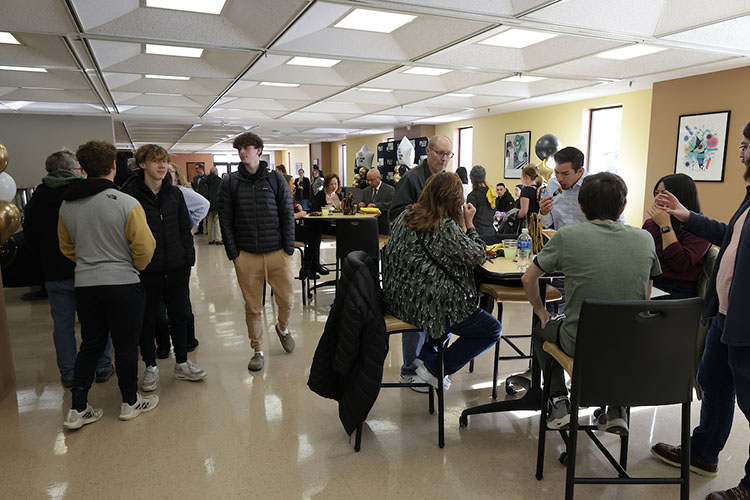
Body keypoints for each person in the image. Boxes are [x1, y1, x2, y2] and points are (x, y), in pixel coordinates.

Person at [650, 121, 750, 500]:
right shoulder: (749, 197)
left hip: (745, 322)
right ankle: (704, 453)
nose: (740, 152)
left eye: (744, 146)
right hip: (724, 315)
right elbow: (728, 236)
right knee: (713, 385)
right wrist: (684, 214)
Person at [522, 172, 661, 433]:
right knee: (614, 335)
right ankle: (617, 406)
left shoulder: (568, 237)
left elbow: (529, 279)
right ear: (623, 207)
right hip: (629, 342)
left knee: (541, 329)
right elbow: (645, 295)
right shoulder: (645, 239)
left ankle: (558, 400)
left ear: (581, 207)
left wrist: (541, 311)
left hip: (580, 341)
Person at [58, 140, 157, 429]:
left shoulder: (67, 205)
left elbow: (66, 246)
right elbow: (145, 247)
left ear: (84, 168)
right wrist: (131, 266)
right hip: (123, 282)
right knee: (126, 346)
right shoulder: (127, 203)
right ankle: (129, 401)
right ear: (114, 166)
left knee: (90, 344)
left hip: (86, 284)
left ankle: (78, 408)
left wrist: (90, 261)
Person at [384, 172, 501, 388]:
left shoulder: (405, 216)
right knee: (491, 329)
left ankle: (424, 359)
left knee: (445, 303)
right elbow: (476, 254)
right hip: (425, 305)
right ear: (454, 200)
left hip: (397, 298)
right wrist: (470, 224)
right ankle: (434, 370)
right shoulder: (442, 225)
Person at [24, 150, 114, 388]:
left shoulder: (37, 198)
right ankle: (103, 366)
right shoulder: (82, 194)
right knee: (95, 321)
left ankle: (69, 373)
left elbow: (29, 238)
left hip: (54, 272)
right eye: (78, 169)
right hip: (86, 267)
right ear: (72, 170)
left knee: (62, 325)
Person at [122, 144, 206, 391]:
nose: (162, 166)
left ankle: (182, 362)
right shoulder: (129, 195)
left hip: (177, 267)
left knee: (180, 316)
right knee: (147, 320)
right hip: (146, 270)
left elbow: (184, 229)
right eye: (156, 161)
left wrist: (188, 260)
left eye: (165, 161)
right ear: (142, 164)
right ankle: (150, 366)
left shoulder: (175, 194)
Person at [219, 132, 295, 372]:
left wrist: (288, 249)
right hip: (247, 255)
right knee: (253, 307)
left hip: (277, 253)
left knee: (287, 300)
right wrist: (234, 254)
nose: (243, 152)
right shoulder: (230, 182)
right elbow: (226, 220)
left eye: (247, 147)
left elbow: (287, 213)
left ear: (259, 150)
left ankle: (282, 328)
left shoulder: (275, 179)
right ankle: (258, 349)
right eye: (239, 148)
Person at [389, 135, 453, 388]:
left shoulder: (446, 181)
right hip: (414, 265)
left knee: (448, 307)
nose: (444, 159)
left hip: (438, 262)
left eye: (449, 154)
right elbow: (396, 217)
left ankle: (429, 365)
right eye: (440, 153)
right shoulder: (412, 179)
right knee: (417, 313)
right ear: (428, 152)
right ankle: (409, 369)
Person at [643, 173, 711, 298]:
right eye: (656, 193)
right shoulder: (651, 224)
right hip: (650, 283)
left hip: (679, 291)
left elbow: (680, 264)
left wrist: (665, 226)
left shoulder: (699, 229)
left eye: (663, 193)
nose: (657, 198)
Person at [285, 176, 325, 280]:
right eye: (292, 184)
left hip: (293, 228)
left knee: (316, 231)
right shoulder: (282, 198)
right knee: (314, 237)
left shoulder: (287, 197)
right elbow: (283, 215)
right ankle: (307, 268)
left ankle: (311, 266)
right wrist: (297, 215)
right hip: (288, 231)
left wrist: (296, 208)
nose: (294, 186)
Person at [539, 147, 587, 229]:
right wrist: (544, 213)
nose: (559, 178)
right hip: (559, 239)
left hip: (587, 240)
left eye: (565, 174)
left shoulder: (595, 186)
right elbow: (546, 224)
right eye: (556, 172)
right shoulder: (552, 184)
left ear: (580, 172)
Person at [466, 165, 498, 242]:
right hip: (491, 233)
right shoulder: (492, 194)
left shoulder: (472, 196)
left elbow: (469, 218)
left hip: (478, 235)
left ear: (472, 179)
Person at [203, 166, 223, 244]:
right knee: (217, 221)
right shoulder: (220, 181)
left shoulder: (205, 180)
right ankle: (218, 239)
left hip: (208, 203)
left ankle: (210, 239)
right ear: (216, 172)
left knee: (210, 221)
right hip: (218, 203)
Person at [191, 164, 207, 234]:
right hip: (197, 197)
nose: (195, 170)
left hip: (205, 197)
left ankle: (207, 230)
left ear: (201, 168)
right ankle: (200, 230)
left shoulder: (207, 178)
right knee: (198, 213)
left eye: (196, 168)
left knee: (206, 215)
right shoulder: (195, 178)